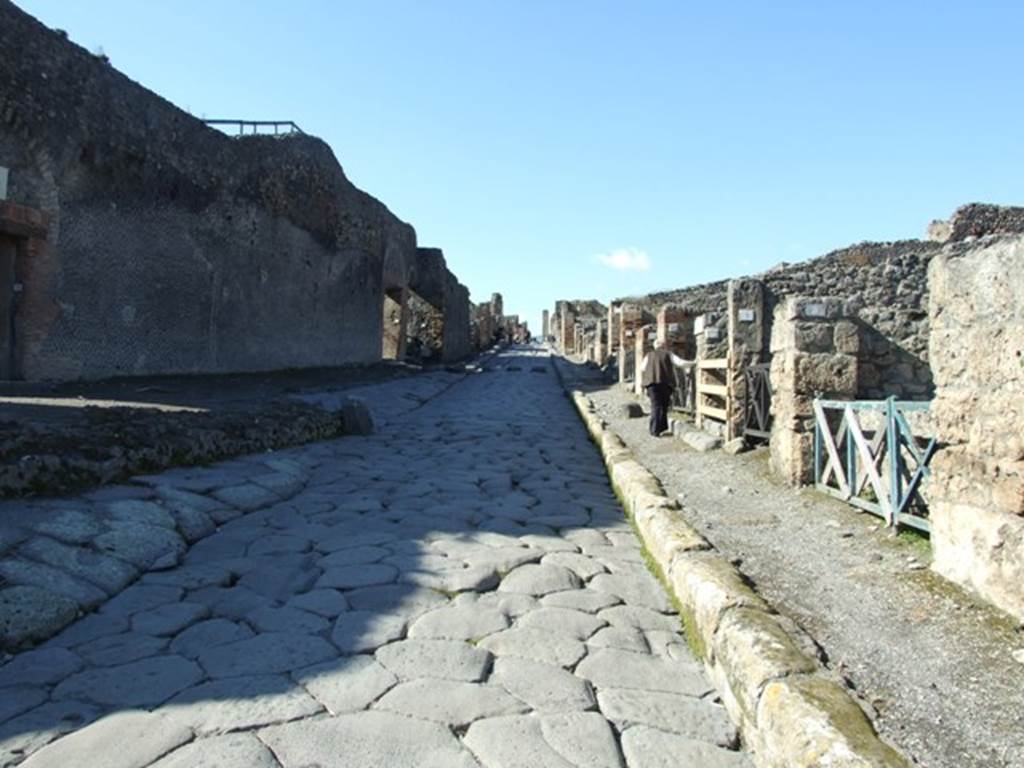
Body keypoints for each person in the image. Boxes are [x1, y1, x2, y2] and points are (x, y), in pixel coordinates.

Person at [640, 338, 689, 437]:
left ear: (654, 346)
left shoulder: (649, 355)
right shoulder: (668, 354)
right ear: (663, 346)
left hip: (651, 384)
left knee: (656, 406)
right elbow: (680, 363)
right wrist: (693, 363)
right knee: (663, 406)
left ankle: (655, 429)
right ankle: (658, 428)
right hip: (664, 383)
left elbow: (642, 367)